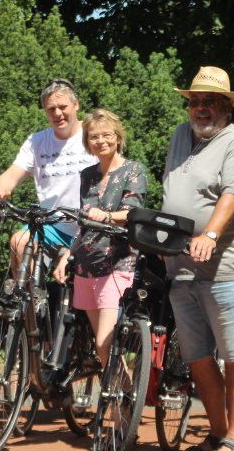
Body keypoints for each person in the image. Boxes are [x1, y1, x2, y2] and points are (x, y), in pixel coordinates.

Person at [162, 66, 234, 451]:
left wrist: (211, 235)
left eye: (210, 102)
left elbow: (233, 195)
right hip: (179, 265)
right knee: (198, 357)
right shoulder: (180, 135)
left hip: (224, 267)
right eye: (195, 101)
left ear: (226, 108)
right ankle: (217, 431)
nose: (201, 108)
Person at [52, 108, 147, 369]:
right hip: (86, 264)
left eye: (107, 135)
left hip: (117, 262)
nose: (100, 141)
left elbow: (132, 213)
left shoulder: (133, 170)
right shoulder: (87, 175)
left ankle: (122, 390)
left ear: (118, 137)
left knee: (105, 343)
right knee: (101, 346)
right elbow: (84, 224)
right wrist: (67, 256)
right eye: (94, 136)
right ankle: (119, 390)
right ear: (87, 142)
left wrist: (106, 216)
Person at [0, 78, 98, 269]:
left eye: (63, 107)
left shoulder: (94, 134)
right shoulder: (37, 142)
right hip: (52, 226)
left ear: (77, 104)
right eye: (51, 109)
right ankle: (27, 290)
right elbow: (12, 174)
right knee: (19, 242)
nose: (58, 113)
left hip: (91, 226)